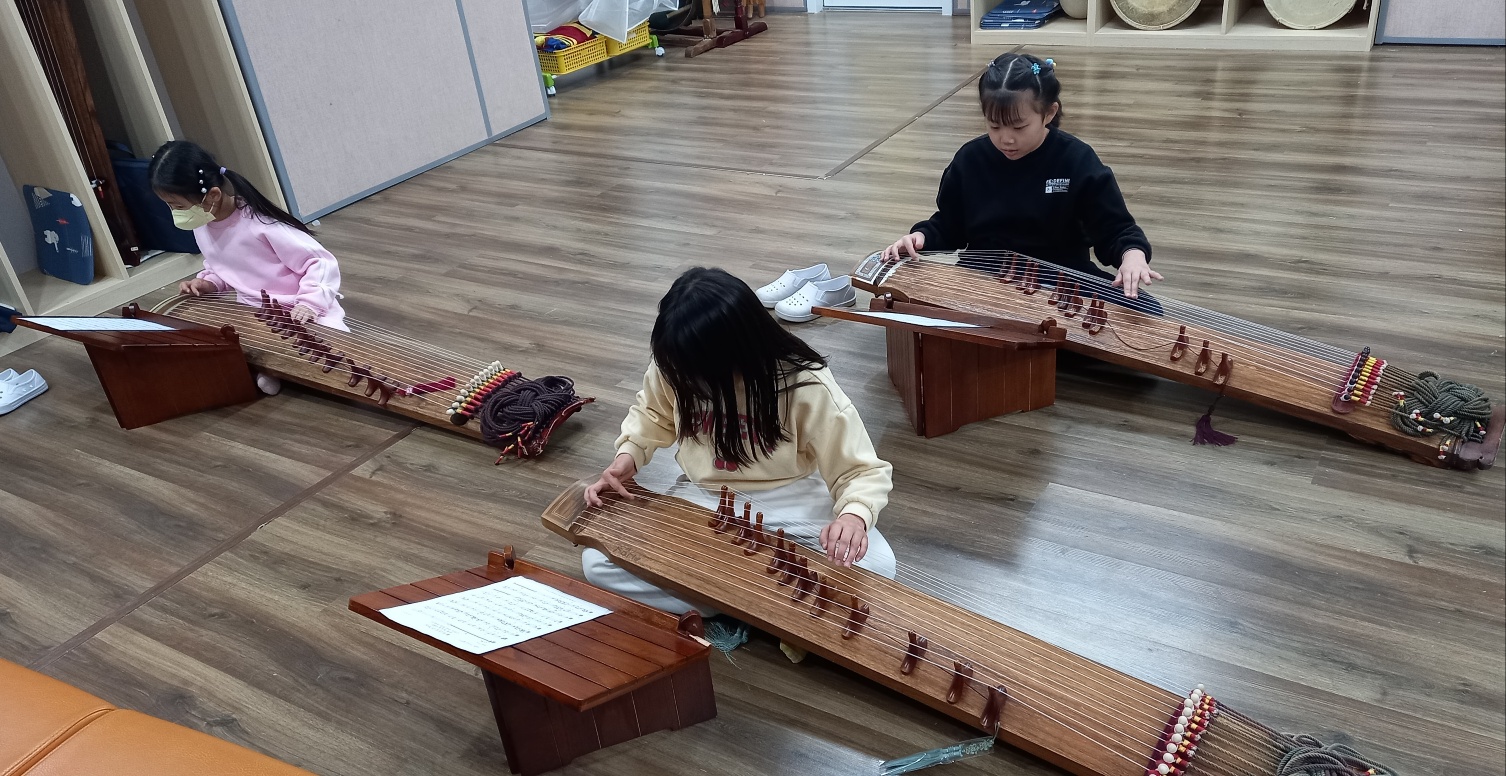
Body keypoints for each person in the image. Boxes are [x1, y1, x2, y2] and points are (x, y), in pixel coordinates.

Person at [582, 267, 898, 616]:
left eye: (701, 376)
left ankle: (722, 596)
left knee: (879, 564)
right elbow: (653, 414)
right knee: (598, 561)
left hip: (791, 496)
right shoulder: (678, 361)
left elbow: (860, 471)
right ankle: (754, 603)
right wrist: (627, 457)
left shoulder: (805, 382)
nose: (689, 382)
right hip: (706, 495)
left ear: (739, 352)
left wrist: (853, 518)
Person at [883, 53, 1163, 312]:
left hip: (1060, 277)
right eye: (994, 126)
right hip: (985, 276)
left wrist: (1132, 255)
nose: (1006, 138)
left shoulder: (1076, 160)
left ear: (1049, 113)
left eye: (1019, 127)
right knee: (908, 305)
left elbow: (1115, 228)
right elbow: (949, 225)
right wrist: (921, 238)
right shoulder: (970, 160)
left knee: (1146, 312)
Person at [150, 140, 347, 394]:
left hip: (300, 305)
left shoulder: (261, 224)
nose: (175, 213)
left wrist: (310, 303)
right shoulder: (203, 224)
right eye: (169, 206)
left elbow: (320, 262)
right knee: (224, 349)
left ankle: (276, 368)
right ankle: (272, 368)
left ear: (213, 195)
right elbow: (223, 266)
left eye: (178, 206)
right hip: (254, 312)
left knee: (333, 351)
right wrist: (208, 281)